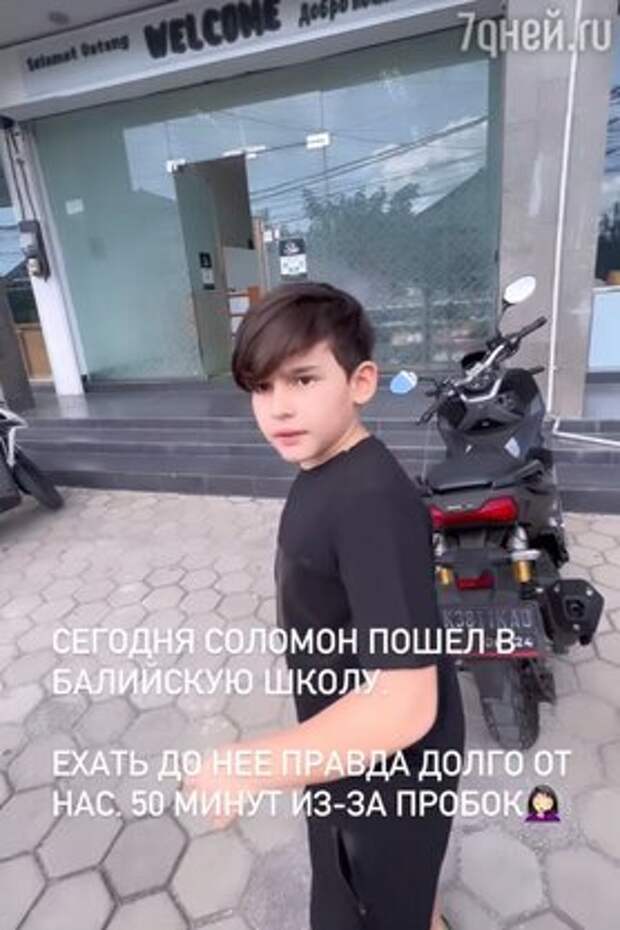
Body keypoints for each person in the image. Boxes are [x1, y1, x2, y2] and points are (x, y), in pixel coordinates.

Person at [185, 282, 465, 930]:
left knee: (367, 900)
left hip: (389, 768)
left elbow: (404, 704)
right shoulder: (330, 469)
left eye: (303, 379)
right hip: (346, 740)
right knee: (402, 890)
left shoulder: (369, 501)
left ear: (360, 381)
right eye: (262, 387)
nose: (278, 407)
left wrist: (250, 765)